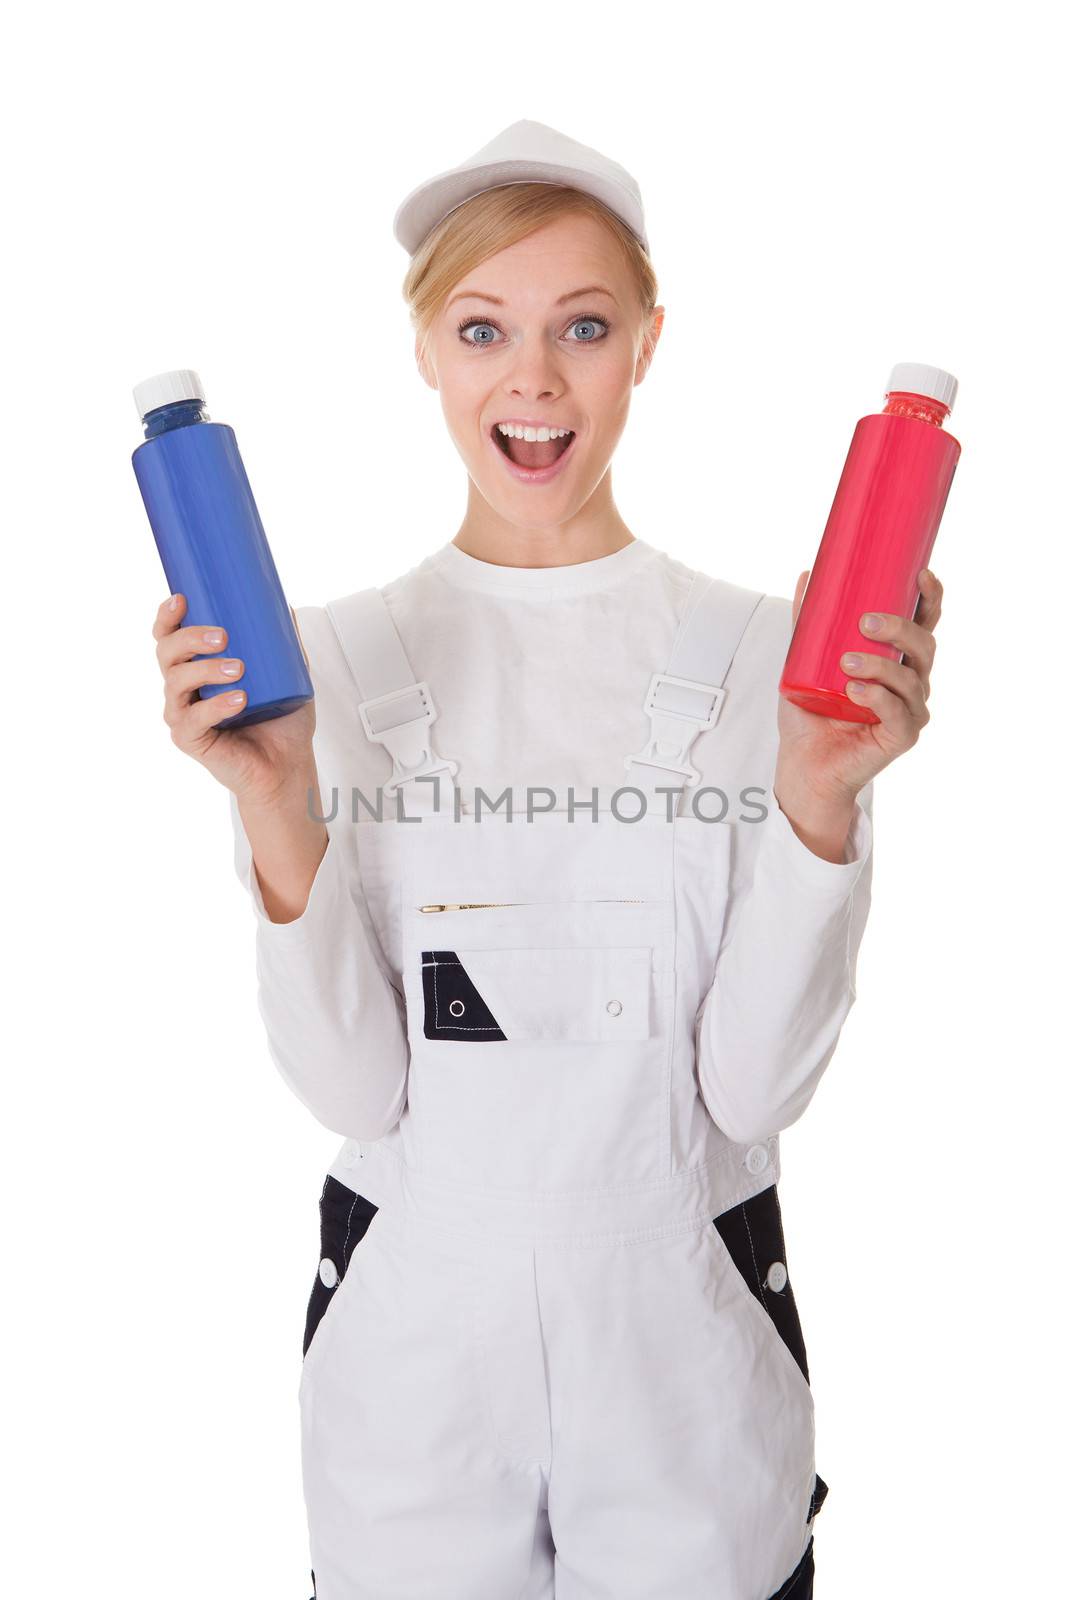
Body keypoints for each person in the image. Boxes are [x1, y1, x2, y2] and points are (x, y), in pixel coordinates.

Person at [151, 119, 942, 1600]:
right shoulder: (320, 666)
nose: (533, 377)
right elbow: (351, 1092)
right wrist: (273, 804)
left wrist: (824, 796)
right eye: (482, 329)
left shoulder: (769, 661)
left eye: (583, 325)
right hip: (414, 1373)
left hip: (687, 1364)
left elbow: (754, 1093)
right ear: (426, 355)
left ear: (648, 343)